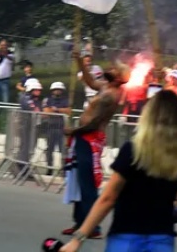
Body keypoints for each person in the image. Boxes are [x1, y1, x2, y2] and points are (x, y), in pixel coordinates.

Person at [60, 90, 177, 252]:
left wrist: (78, 238)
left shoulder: (133, 151)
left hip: (127, 236)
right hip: (162, 236)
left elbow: (108, 198)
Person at [62, 50, 125, 239]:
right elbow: (90, 82)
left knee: (87, 183)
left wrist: (74, 131)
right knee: (79, 180)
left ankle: (92, 227)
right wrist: (81, 62)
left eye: (114, 70)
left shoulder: (111, 95)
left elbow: (95, 122)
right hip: (83, 138)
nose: (110, 69)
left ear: (119, 78)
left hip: (90, 138)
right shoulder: (105, 86)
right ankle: (80, 222)